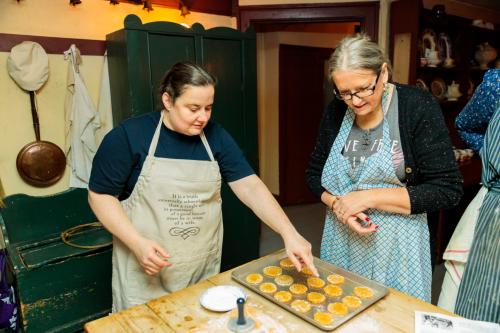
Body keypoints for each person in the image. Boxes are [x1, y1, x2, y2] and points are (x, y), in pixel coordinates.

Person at [88, 61, 318, 311]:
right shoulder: (129, 136)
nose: (203, 118)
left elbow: (250, 186)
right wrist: (136, 243)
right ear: (168, 100)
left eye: (208, 108)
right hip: (144, 266)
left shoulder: (216, 136)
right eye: (193, 108)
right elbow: (99, 196)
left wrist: (289, 233)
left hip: (199, 266)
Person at [306, 34, 463, 302]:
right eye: (345, 92)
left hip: (397, 246)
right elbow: (314, 176)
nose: (355, 101)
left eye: (365, 88)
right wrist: (339, 206)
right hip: (341, 238)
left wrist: (367, 198)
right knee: (341, 310)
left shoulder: (416, 106)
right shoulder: (336, 110)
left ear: (384, 73)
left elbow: (447, 190)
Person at [438, 69, 499, 313]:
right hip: (492, 209)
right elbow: (467, 125)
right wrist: (492, 155)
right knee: (463, 307)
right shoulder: (497, 84)